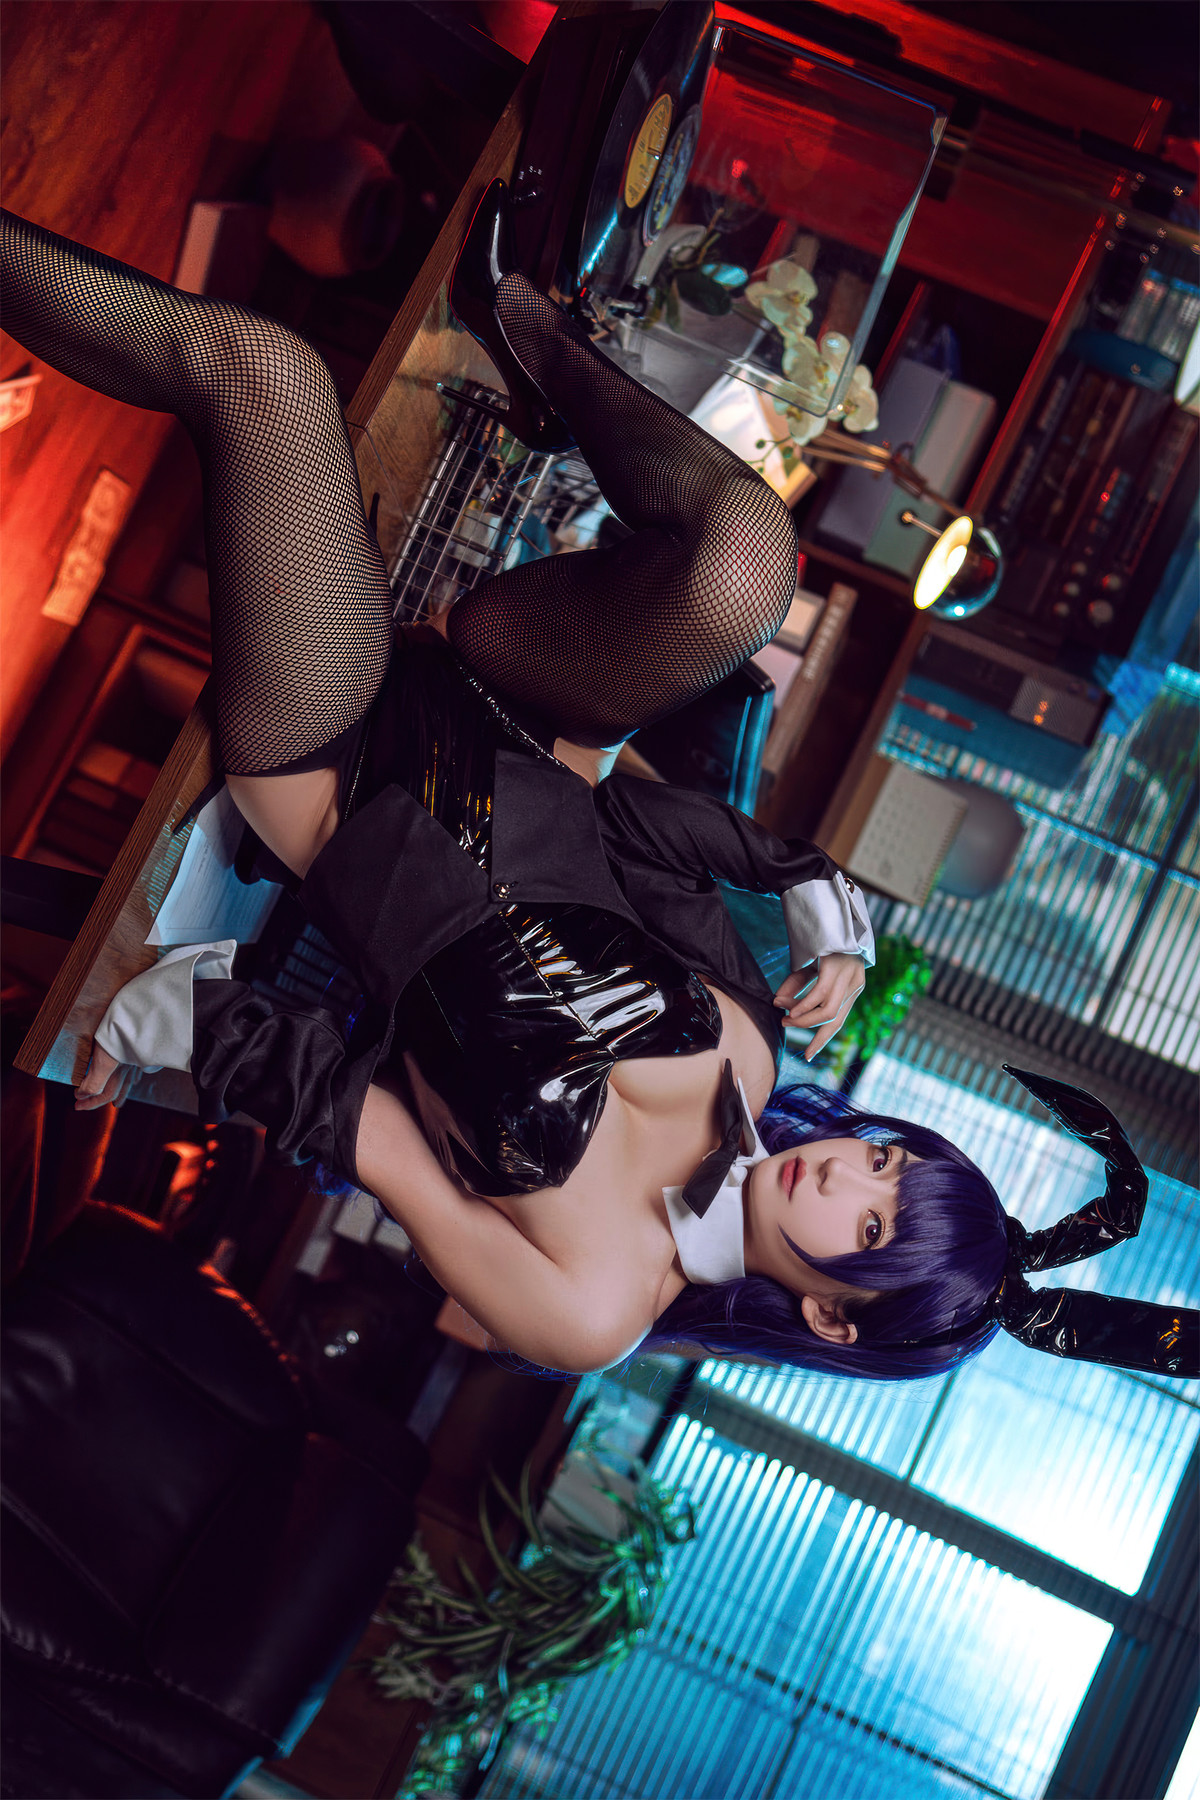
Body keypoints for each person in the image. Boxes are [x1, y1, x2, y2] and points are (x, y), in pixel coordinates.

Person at [3, 190, 1194, 1385]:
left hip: (336, 779)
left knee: (264, 373)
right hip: (521, 713)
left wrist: (179, 1023)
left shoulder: (590, 1308)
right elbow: (627, 824)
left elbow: (362, 1126)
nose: (846, 1175)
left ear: (835, 1318)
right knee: (745, 571)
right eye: (889, 1162)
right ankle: (534, 330)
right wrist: (810, 888)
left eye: (872, 1229)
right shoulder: (751, 1058)